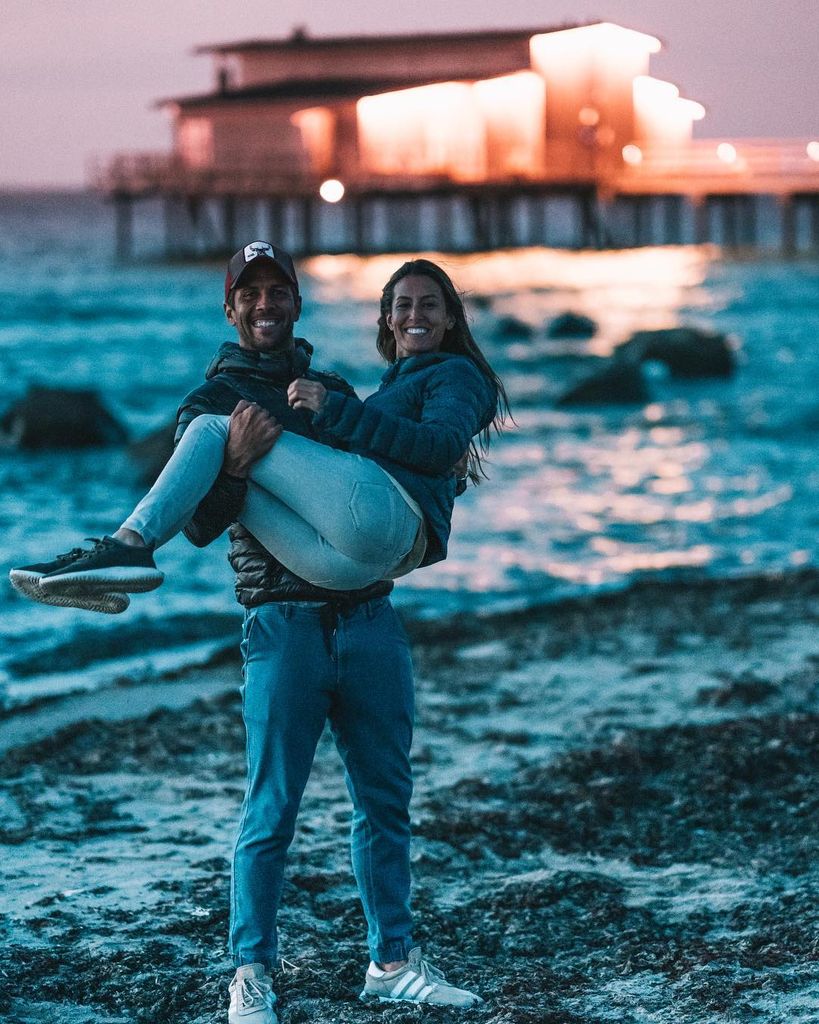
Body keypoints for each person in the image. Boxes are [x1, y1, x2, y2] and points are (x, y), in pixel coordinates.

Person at [10, 242, 508, 1022]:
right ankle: (250, 975)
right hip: (281, 619)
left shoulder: (333, 388)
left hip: (366, 610)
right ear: (232, 309)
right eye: (252, 295)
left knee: (385, 799)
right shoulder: (209, 399)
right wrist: (235, 466)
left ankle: (393, 961)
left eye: (279, 292)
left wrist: (327, 424)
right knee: (269, 809)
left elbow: (379, 477)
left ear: (297, 306)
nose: (266, 305)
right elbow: (207, 524)